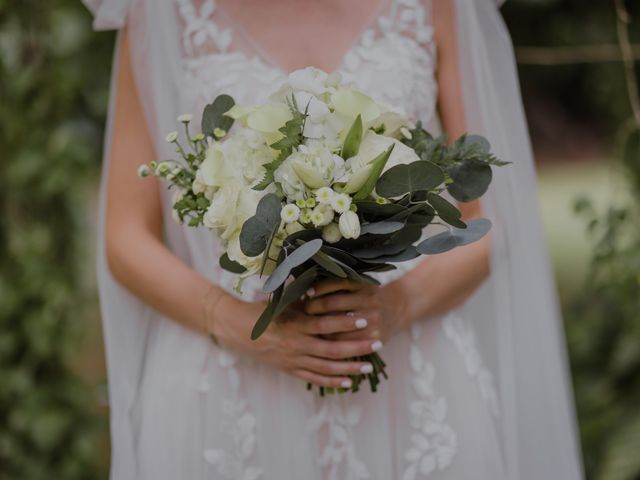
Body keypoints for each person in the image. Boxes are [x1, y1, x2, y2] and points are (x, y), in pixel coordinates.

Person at [84, 0, 584, 478]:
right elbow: (126, 236)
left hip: (409, 373)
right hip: (226, 387)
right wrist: (245, 328)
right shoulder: (161, 13)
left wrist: (398, 306)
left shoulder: (437, 6)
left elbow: (490, 220)